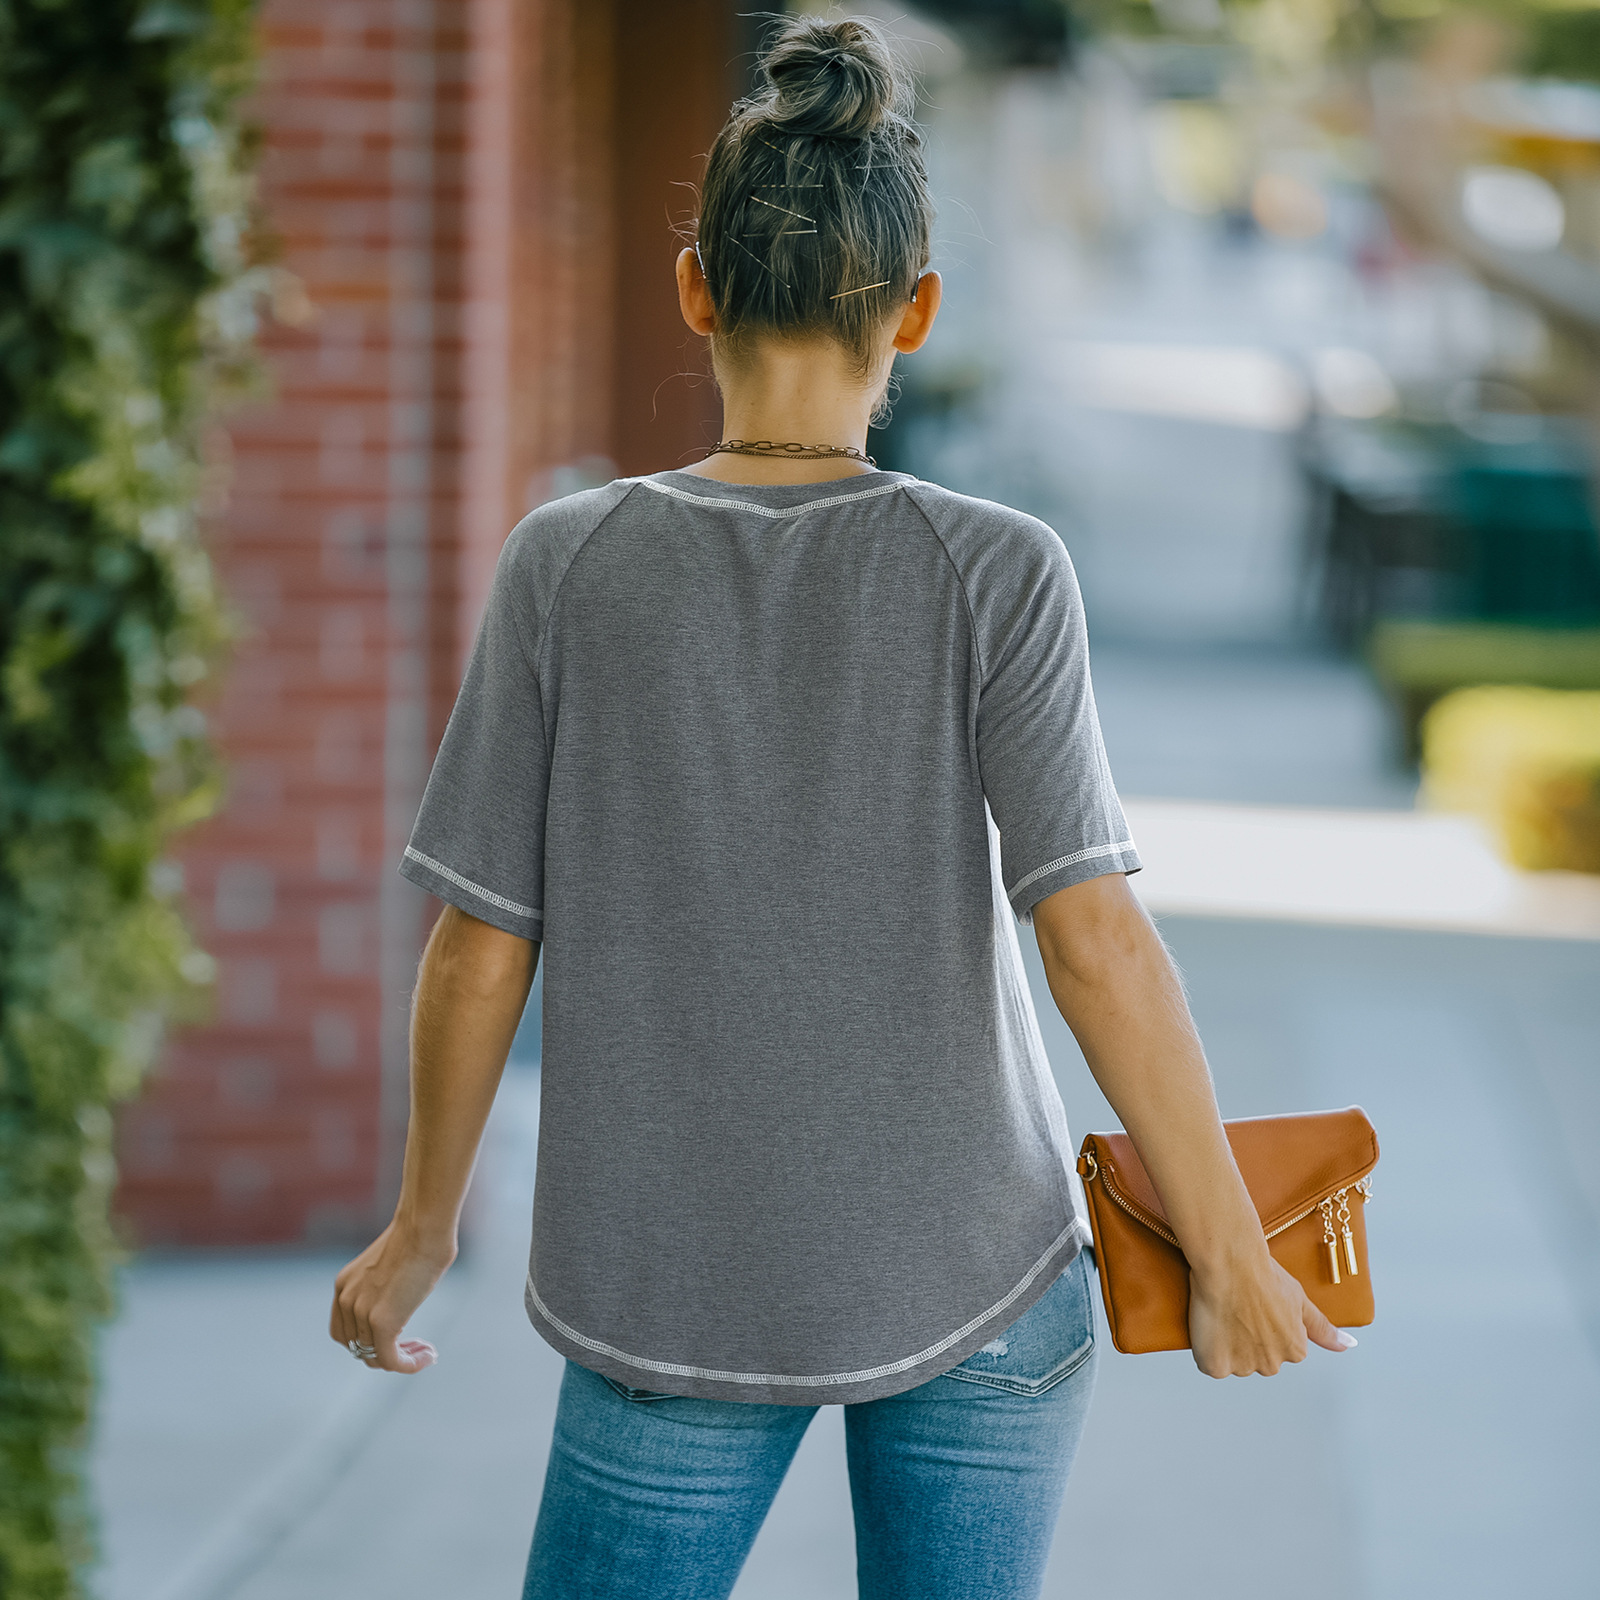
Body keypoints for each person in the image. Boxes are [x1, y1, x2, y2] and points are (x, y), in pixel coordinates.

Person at [328, 16, 1353, 1599]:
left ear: (694, 289)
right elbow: (1094, 935)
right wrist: (1223, 1248)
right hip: (981, 1277)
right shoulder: (999, 568)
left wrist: (419, 1228)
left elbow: (479, 950)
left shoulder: (567, 562)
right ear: (919, 313)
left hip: (667, 1288)